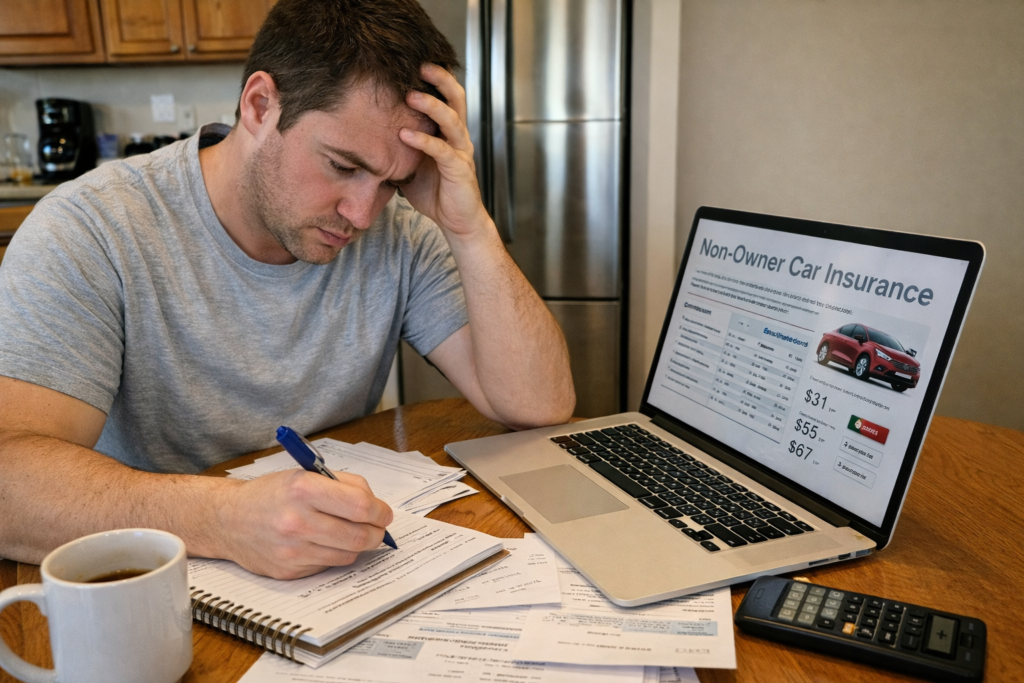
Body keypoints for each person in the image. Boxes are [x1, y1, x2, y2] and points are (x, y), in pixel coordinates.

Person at [0, 0, 574, 579]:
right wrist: (225, 518)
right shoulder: (93, 227)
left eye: (393, 183)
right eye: (343, 166)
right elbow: (8, 485)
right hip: (148, 582)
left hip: (329, 579)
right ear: (259, 105)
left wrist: (469, 228)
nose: (362, 214)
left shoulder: (398, 235)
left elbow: (537, 405)